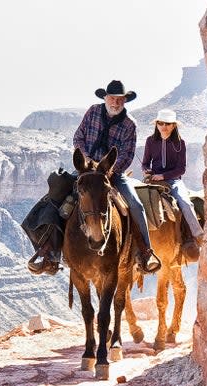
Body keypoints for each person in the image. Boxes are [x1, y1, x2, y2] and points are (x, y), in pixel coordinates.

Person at [73, 80, 161, 273]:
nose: (115, 103)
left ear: (124, 101)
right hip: (87, 170)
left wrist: (108, 170)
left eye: (120, 99)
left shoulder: (130, 124)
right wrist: (86, 160)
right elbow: (78, 137)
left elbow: (127, 154)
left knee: (136, 205)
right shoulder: (93, 112)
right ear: (105, 98)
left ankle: (146, 253)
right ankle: (49, 251)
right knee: (58, 192)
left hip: (111, 173)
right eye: (112, 98)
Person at [141, 108, 204, 260]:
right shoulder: (150, 141)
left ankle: (197, 236)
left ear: (174, 126)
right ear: (156, 124)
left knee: (185, 204)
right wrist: (147, 171)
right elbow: (144, 163)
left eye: (168, 124)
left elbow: (181, 169)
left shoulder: (180, 143)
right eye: (161, 123)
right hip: (153, 181)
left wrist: (163, 175)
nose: (164, 126)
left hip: (173, 180)